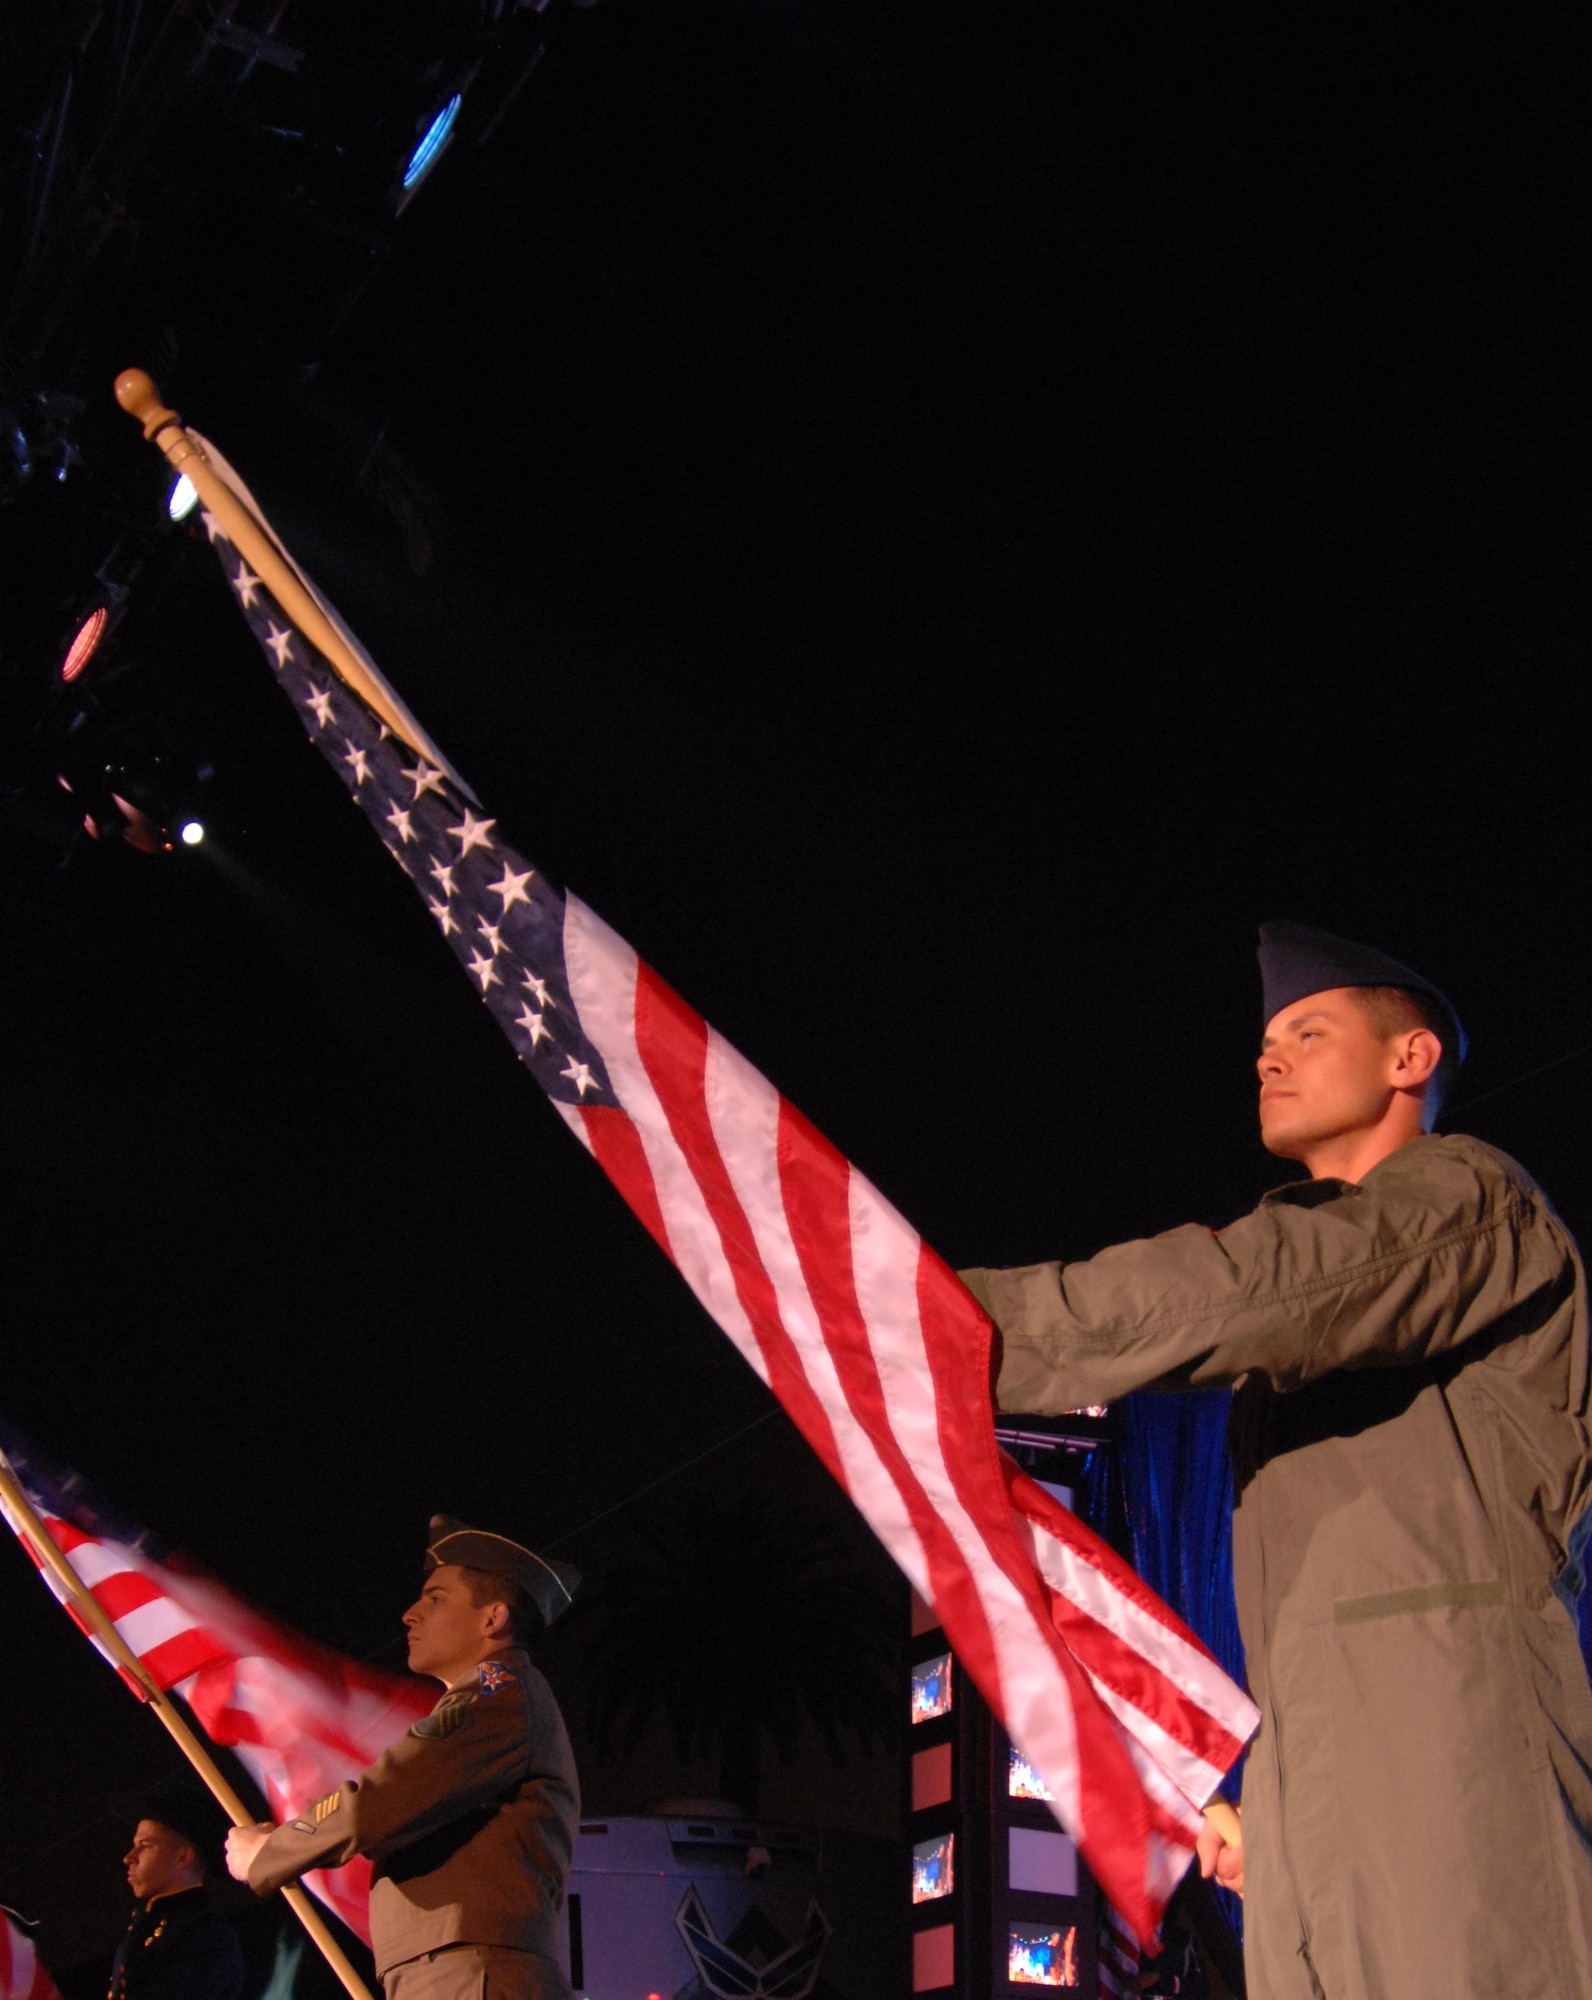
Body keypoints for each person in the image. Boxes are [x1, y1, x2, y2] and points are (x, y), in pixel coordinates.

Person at [960, 921, 1592, 2000]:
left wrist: (957, 1327)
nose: (1268, 1056)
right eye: (1263, 1040)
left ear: (1410, 1058)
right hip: (1313, 1796)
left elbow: (1267, 1285)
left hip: (1452, 1768)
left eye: (1307, 1028)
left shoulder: (1468, 1200)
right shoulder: (1309, 1296)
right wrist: (1290, 1804)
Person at [226, 1517, 581, 2000]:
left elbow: (388, 1797)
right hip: (453, 1970)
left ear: (493, 1618)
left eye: (436, 1599)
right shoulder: (498, 1700)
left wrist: (272, 1854)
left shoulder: (499, 1693)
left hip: (470, 1973)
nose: (410, 1614)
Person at [111, 1803, 243, 2000]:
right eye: (134, 1846)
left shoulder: (204, 1933)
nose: (129, 1858)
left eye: (145, 1846)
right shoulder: (149, 1923)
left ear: (183, 1857)